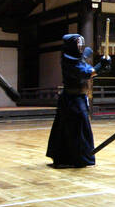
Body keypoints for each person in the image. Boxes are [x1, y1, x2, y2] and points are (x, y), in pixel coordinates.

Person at [46, 34, 110, 167]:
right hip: (72, 100)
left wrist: (90, 57)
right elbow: (87, 73)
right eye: (78, 45)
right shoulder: (69, 61)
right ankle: (78, 159)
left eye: (81, 44)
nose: (80, 47)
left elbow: (83, 59)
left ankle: (72, 158)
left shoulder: (74, 57)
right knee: (76, 130)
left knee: (74, 129)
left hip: (77, 98)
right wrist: (100, 65)